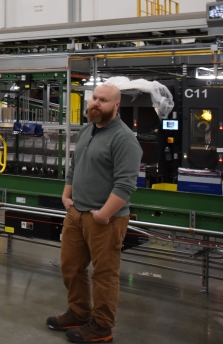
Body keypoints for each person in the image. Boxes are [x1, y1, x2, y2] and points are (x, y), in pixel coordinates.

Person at [46, 83, 141, 344]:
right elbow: (75, 167)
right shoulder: (87, 129)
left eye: (104, 100)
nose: (96, 103)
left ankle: (101, 326)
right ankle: (78, 312)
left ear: (116, 105)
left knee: (104, 275)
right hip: (76, 212)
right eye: (94, 98)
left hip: (105, 220)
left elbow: (126, 184)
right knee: (71, 266)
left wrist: (103, 214)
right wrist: (66, 196)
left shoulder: (124, 139)